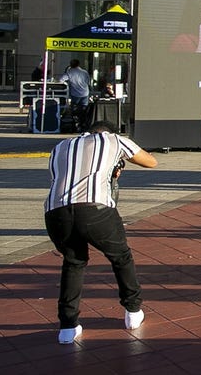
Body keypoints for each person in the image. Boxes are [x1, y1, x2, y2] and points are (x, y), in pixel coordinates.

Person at [45, 121, 158, 344]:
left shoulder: (61, 146)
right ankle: (133, 311)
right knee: (121, 256)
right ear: (108, 132)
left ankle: (67, 327)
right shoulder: (114, 139)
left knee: (74, 262)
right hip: (95, 209)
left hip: (56, 212)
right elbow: (151, 162)